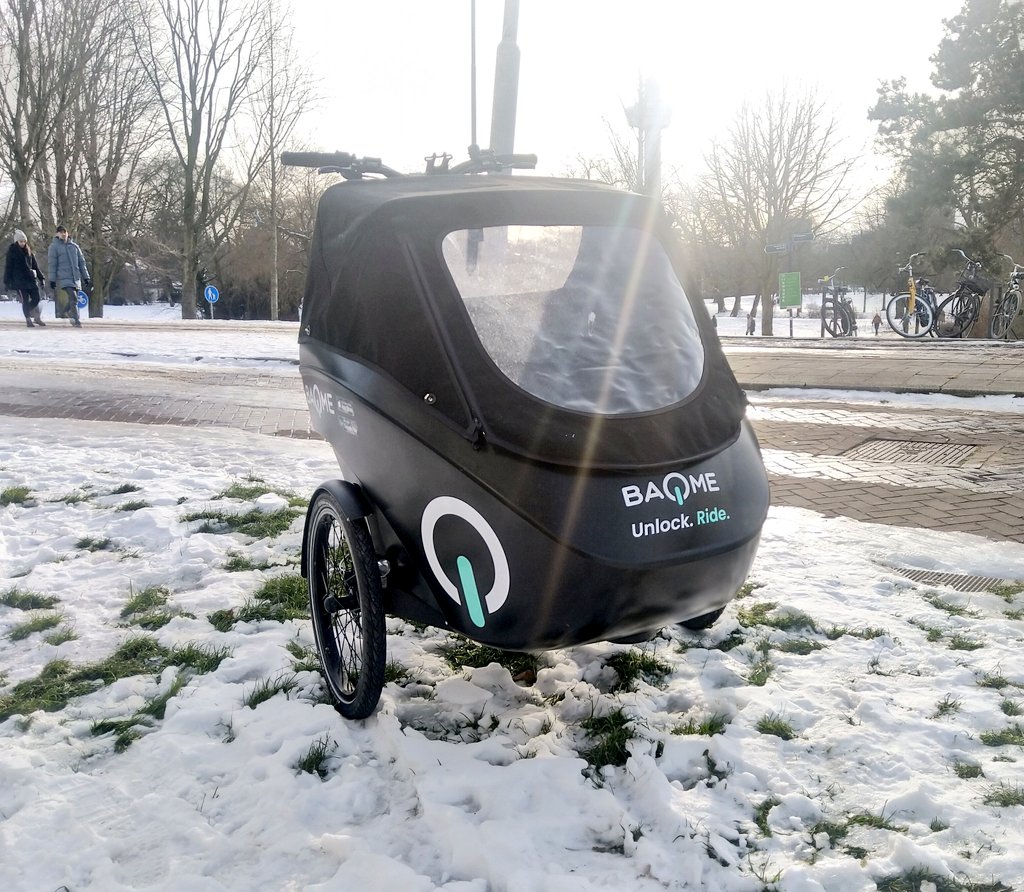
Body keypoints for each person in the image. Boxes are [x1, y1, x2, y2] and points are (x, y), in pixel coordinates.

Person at [47, 225, 90, 327]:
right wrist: (52, 280)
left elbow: (81, 263)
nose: (63, 234)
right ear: (57, 234)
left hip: (75, 277)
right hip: (63, 277)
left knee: (74, 299)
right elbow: (52, 264)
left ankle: (66, 311)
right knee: (73, 297)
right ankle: (76, 320)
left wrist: (86, 277)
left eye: (64, 232)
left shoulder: (74, 247)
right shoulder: (54, 247)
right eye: (61, 232)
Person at [3, 229, 47, 327]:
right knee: (25, 300)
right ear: (16, 241)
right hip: (19, 281)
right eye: (21, 241)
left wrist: (41, 278)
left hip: (30, 280)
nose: (23, 243)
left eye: (24, 241)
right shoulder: (12, 252)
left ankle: (28, 311)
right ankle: (28, 319)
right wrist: (7, 281)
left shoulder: (29, 252)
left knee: (36, 298)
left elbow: (35, 266)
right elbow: (8, 267)